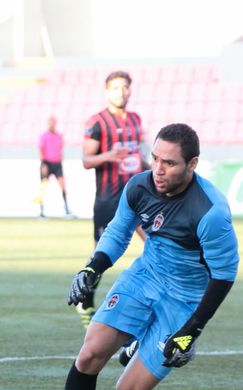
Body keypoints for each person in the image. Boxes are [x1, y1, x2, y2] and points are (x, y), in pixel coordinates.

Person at [38, 123, 239, 390]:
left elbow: (223, 276)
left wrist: (191, 330)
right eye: (155, 158)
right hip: (144, 277)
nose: (158, 170)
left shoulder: (212, 212)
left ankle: (142, 346)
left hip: (185, 299)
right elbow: (118, 232)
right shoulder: (139, 185)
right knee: (89, 354)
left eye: (170, 163)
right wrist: (92, 269)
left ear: (192, 164)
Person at [78, 70, 149, 328]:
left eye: (125, 87)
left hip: (139, 198)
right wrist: (110, 155)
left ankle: (153, 302)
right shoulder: (96, 122)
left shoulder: (136, 120)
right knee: (102, 254)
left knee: (156, 243)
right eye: (116, 88)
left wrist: (153, 169)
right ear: (107, 91)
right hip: (109, 200)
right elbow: (86, 160)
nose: (122, 92)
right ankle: (85, 300)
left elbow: (139, 156)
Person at [37, 115, 73, 218]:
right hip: (46, 163)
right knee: (43, 187)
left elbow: (60, 149)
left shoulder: (59, 136)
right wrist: (43, 164)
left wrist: (61, 160)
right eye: (50, 122)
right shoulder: (43, 136)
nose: (52, 124)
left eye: (53, 122)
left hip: (57, 164)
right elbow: (40, 149)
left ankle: (66, 210)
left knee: (63, 185)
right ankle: (42, 212)